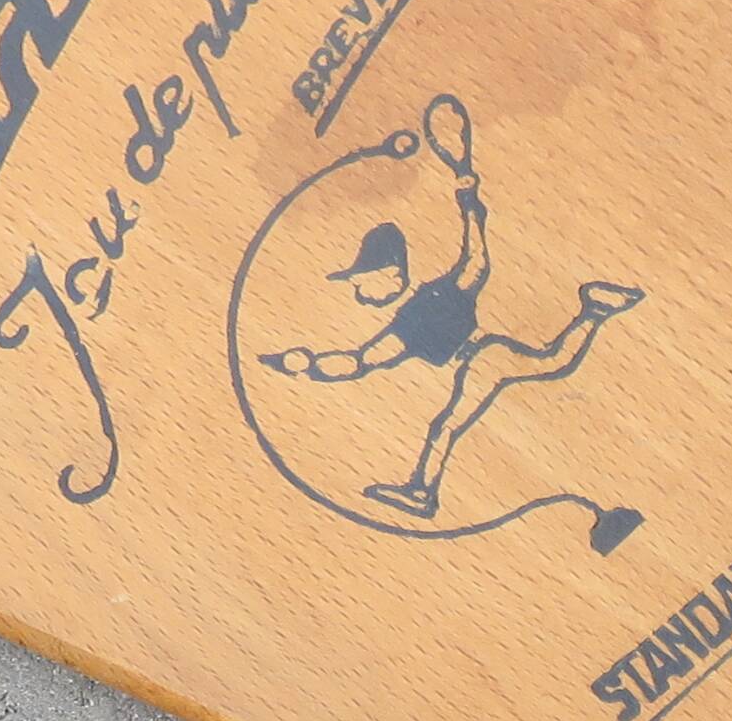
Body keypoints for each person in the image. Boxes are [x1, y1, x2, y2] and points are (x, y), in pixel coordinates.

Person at [262, 94, 643, 519]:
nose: (358, 293)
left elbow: (359, 361)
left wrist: (308, 364)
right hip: (486, 352)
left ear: (390, 273)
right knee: (546, 362)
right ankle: (593, 311)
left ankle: (422, 491)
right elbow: (475, 262)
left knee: (455, 419)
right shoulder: (432, 299)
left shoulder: (411, 321)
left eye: (359, 282)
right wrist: (466, 192)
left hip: (480, 357)